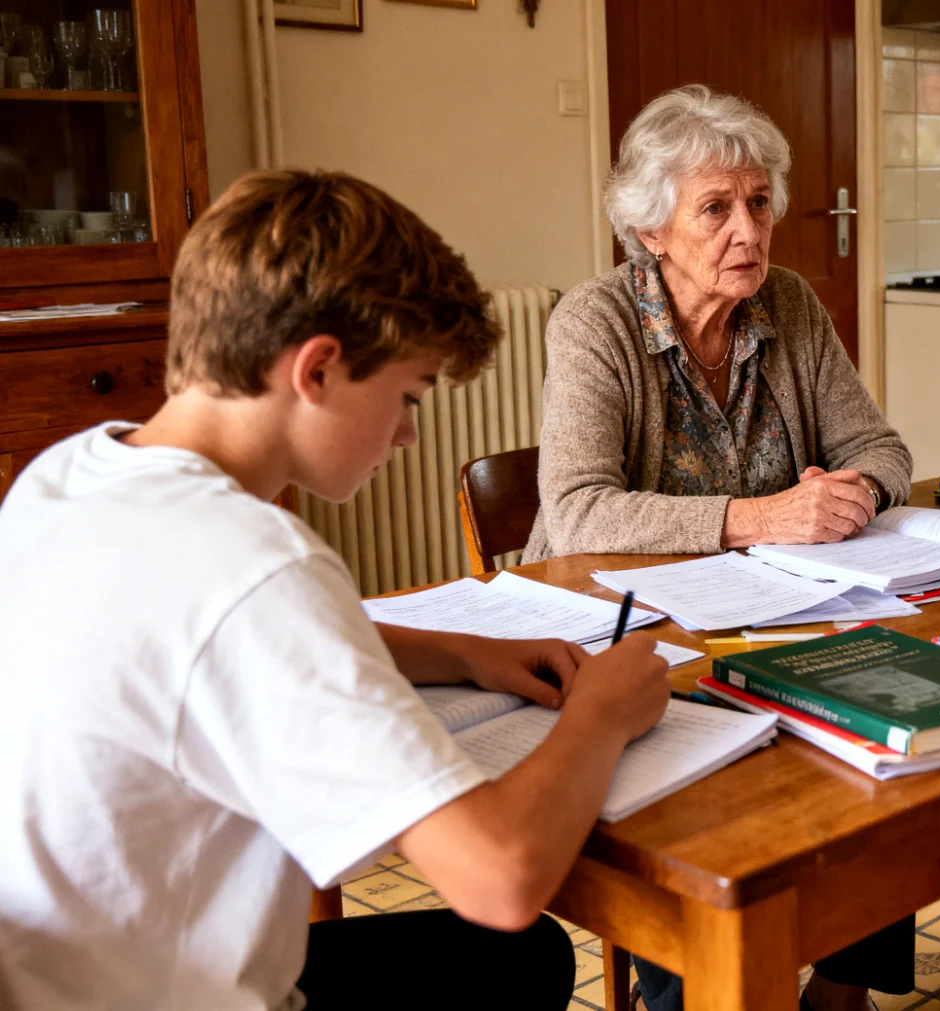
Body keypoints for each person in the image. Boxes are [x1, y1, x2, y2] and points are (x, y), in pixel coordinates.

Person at [0, 169, 672, 1010]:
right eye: (406, 396)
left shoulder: (67, 473)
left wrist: (463, 652)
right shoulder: (257, 566)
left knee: (522, 962)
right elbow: (501, 879)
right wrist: (600, 713)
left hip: (62, 973)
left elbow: (206, 639)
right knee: (517, 938)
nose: (407, 433)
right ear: (316, 369)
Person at [523, 84, 911, 561]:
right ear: (653, 231)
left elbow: (879, 449)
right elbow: (579, 514)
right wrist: (767, 518)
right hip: (609, 591)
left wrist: (855, 495)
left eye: (759, 202)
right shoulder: (595, 321)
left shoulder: (789, 300)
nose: (748, 233)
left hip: (765, 584)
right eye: (715, 208)